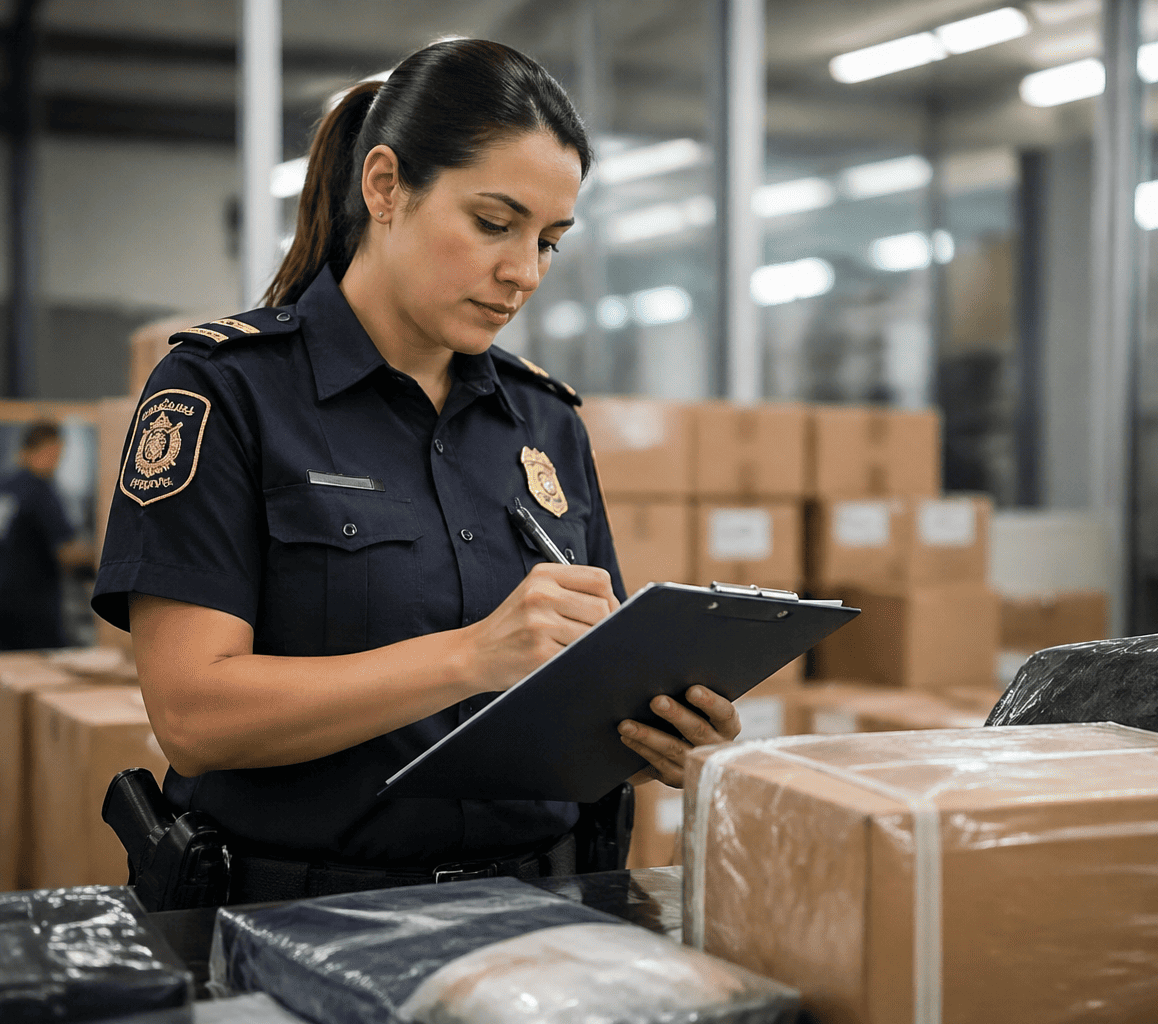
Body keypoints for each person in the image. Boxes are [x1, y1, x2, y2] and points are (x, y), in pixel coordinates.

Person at [92, 39, 741, 899]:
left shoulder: (544, 420)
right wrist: (470, 656)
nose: (524, 273)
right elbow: (193, 717)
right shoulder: (225, 392)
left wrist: (659, 731)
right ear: (386, 186)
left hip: (542, 911)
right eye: (494, 223)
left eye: (550, 241)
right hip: (300, 916)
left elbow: (580, 675)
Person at [0, 420, 95, 650]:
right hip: (35, 608)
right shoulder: (40, 491)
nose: (57, 462)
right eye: (55, 454)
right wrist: (106, 556)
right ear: (41, 449)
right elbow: (66, 552)